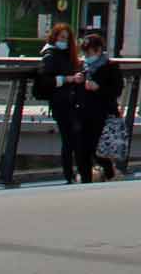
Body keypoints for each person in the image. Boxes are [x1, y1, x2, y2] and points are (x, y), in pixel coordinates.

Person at [37, 23, 89, 183]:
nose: (64, 41)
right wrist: (68, 79)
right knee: (69, 139)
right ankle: (71, 174)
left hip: (72, 101)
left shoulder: (67, 55)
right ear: (54, 37)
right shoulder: (50, 55)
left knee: (75, 138)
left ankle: (78, 173)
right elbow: (45, 80)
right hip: (60, 102)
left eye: (67, 38)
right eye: (61, 37)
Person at [74, 31, 125, 182]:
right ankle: (85, 180)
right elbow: (75, 90)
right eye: (86, 53)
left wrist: (98, 87)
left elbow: (116, 90)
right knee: (82, 149)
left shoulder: (110, 67)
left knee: (98, 149)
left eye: (90, 52)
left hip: (103, 113)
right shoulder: (82, 66)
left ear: (98, 50)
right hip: (83, 112)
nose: (88, 56)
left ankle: (109, 172)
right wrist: (76, 81)